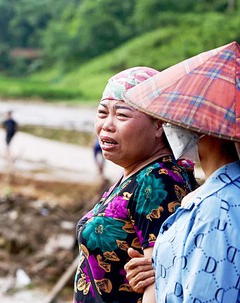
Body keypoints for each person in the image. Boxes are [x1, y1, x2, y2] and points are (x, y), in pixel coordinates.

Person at [122, 49, 240, 302]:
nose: (173, 126)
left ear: (205, 129)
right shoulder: (223, 194)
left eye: (179, 121)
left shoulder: (217, 211)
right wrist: (161, 269)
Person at [73, 67, 195, 303]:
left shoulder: (158, 180)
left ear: (159, 124)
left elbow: (158, 284)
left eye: (122, 115)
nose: (107, 125)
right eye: (102, 112)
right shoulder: (136, 173)